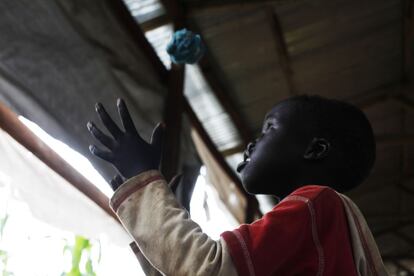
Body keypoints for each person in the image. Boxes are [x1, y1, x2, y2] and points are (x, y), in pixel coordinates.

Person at [87, 95, 388, 276]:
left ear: (315, 149)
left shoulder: (317, 204)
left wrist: (144, 181)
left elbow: (206, 270)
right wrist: (157, 211)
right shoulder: (316, 233)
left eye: (269, 127)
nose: (251, 143)